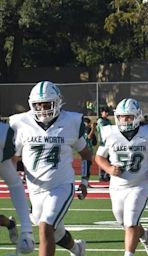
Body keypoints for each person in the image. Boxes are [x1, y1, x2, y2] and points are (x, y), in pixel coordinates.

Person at [11, 81, 91, 256]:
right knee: (56, 232)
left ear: (57, 102)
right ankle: (77, 249)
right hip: (35, 190)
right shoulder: (20, 123)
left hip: (61, 185)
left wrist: (84, 181)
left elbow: (86, 154)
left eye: (47, 104)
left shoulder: (71, 121)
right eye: (38, 105)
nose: (43, 109)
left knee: (46, 227)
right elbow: (13, 158)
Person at [95, 98, 148, 256]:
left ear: (137, 117)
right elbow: (99, 157)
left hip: (139, 184)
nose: (124, 120)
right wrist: (110, 169)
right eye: (121, 116)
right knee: (124, 223)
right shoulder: (109, 132)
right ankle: (145, 235)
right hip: (117, 186)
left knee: (131, 222)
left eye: (129, 116)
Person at [0, 120, 34, 254]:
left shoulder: (3, 134)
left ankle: (24, 230)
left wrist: (27, 228)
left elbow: (15, 184)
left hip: (2, 160)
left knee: (14, 182)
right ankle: (10, 224)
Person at [97, 106, 112, 182]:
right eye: (105, 112)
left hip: (109, 142)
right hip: (103, 143)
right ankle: (101, 175)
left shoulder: (108, 121)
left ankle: (107, 174)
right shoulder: (100, 121)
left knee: (109, 159)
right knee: (102, 158)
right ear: (101, 112)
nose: (107, 113)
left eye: (107, 112)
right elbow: (104, 129)